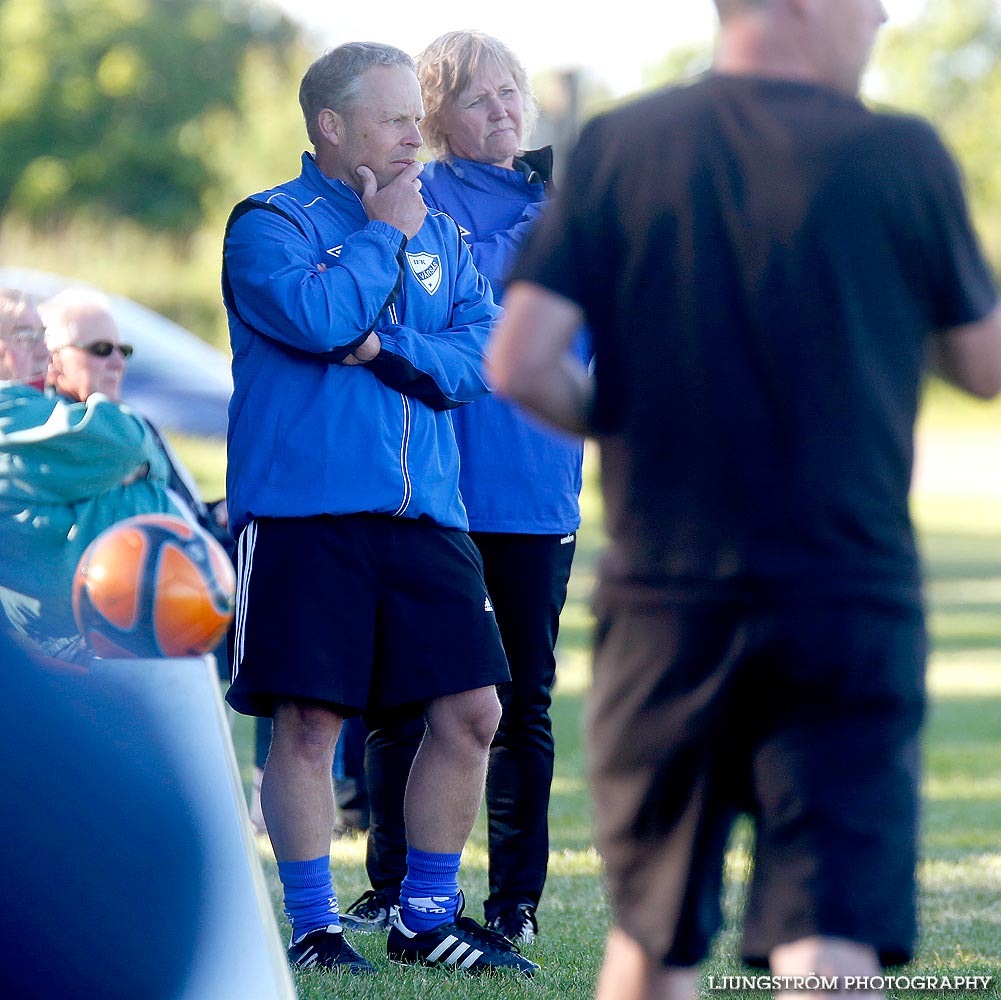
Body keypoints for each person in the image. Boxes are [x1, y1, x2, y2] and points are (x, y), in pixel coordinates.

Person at [488, 1, 1001, 998]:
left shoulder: (619, 145)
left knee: (649, 937)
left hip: (665, 600)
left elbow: (518, 362)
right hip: (842, 595)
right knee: (830, 936)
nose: (883, 14)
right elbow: (980, 363)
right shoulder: (899, 154)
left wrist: (629, 419)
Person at [220, 41, 538, 977]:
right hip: (304, 515)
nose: (414, 136)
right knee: (310, 725)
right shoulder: (266, 223)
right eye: (396, 119)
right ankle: (314, 927)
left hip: (427, 515)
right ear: (332, 126)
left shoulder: (437, 230)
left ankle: (423, 918)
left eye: (414, 118)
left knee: (475, 712)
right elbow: (316, 320)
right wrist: (382, 237)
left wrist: (385, 350)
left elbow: (483, 357)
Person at [341, 29, 587, 946]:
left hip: (531, 492)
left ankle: (512, 903)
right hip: (424, 489)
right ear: (434, 117)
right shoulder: (406, 198)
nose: (504, 113)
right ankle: (393, 887)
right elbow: (400, 312)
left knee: (520, 699)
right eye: (480, 99)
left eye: (512, 94)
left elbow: (569, 341)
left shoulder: (568, 211)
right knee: (405, 697)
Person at [0, 289, 185, 654]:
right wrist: (130, 470)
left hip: (102, 627)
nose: (42, 353)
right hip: (50, 645)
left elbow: (136, 450)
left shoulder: (40, 413)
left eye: (43, 338)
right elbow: (126, 441)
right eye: (24, 337)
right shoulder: (9, 415)